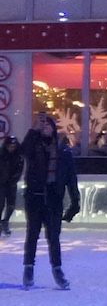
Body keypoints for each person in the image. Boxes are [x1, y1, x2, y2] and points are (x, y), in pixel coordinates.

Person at [20, 113, 78, 288]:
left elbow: (70, 177)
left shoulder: (63, 151)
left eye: (47, 124)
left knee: (54, 237)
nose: (44, 126)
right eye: (41, 124)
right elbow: (22, 152)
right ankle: (28, 269)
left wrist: (75, 202)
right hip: (35, 197)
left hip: (54, 199)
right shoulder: (34, 147)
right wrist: (33, 130)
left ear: (53, 128)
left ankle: (57, 270)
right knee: (32, 234)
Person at [0, 131, 22, 235]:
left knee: (11, 205)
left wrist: (13, 180)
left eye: (13, 146)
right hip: (1, 183)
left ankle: (5, 221)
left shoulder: (18, 157)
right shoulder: (2, 155)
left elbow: (19, 171)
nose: (11, 148)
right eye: (10, 145)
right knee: (0, 204)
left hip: (11, 184)